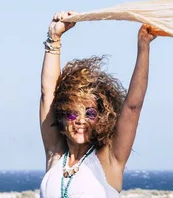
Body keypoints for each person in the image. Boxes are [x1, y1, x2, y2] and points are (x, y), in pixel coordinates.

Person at [39, 11, 157, 197]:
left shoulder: (109, 158)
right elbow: (47, 94)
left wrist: (143, 45)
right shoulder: (55, 155)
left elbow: (133, 107)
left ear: (102, 118)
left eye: (90, 113)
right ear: (61, 117)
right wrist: (54, 37)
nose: (80, 120)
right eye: (72, 114)